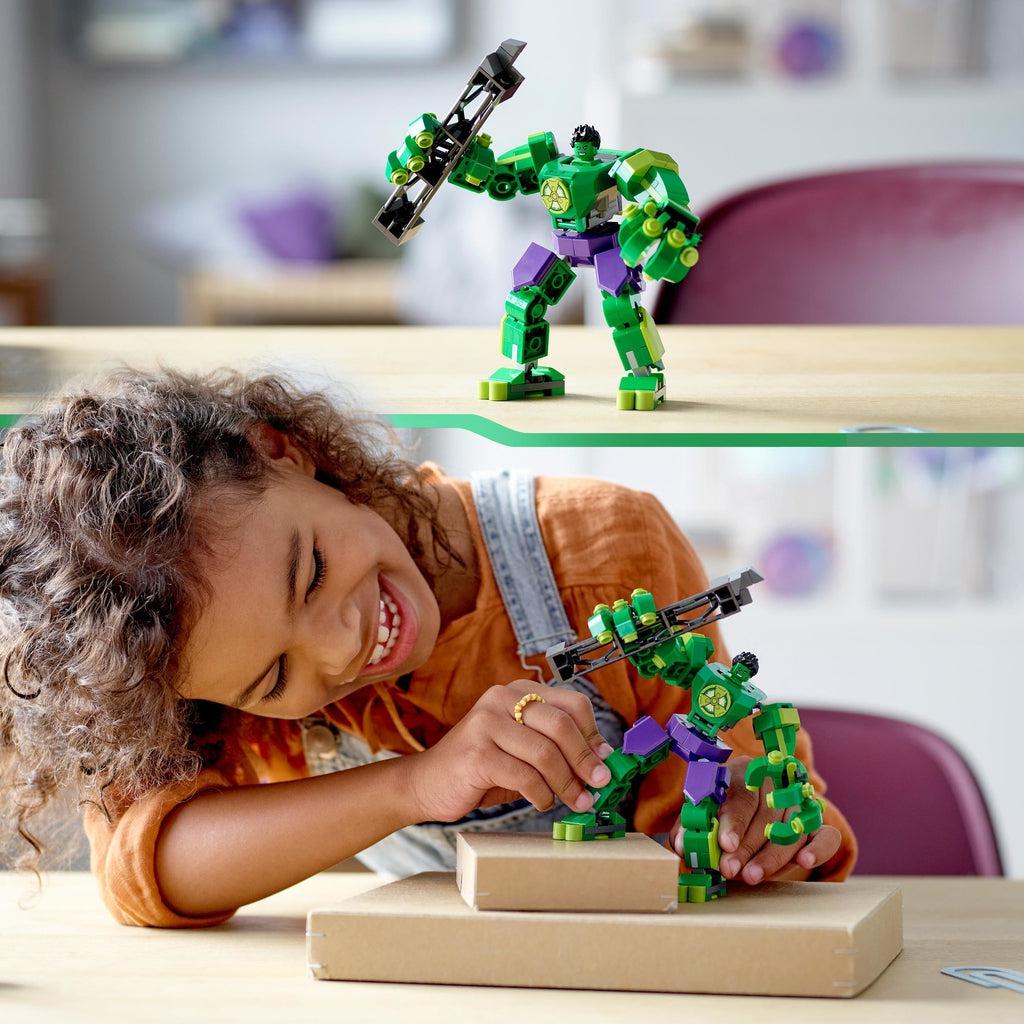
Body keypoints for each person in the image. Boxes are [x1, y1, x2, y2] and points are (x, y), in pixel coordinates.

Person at [0, 368, 855, 927]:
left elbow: (731, 825)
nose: (338, 651)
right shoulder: (188, 663)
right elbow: (145, 872)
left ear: (286, 452)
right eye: (274, 678)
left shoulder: (602, 550)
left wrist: (756, 825)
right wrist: (414, 785)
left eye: (312, 572)